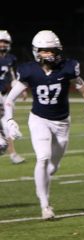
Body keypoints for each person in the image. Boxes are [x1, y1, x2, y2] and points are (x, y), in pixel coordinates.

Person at [3, 30, 84, 220]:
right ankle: (45, 205)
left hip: (62, 122)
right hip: (39, 119)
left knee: (52, 167)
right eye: (45, 51)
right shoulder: (29, 70)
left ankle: (43, 187)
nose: (49, 54)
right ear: (37, 52)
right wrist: (10, 120)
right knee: (43, 158)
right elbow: (9, 100)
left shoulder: (68, 67)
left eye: (52, 50)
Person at [0, 30, 27, 164]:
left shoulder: (11, 58)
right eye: (1, 41)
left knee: (8, 123)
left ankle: (12, 153)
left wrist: (20, 90)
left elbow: (13, 77)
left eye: (5, 42)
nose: (3, 44)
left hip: (5, 96)